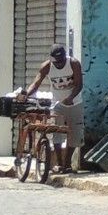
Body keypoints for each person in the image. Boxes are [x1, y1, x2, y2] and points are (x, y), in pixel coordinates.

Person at [24, 45, 85, 174]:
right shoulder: (46, 66)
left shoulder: (74, 64)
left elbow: (79, 84)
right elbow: (36, 83)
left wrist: (70, 97)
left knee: (75, 134)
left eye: (61, 61)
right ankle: (59, 163)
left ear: (65, 57)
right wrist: (26, 94)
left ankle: (67, 164)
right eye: (56, 62)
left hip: (75, 103)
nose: (59, 64)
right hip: (56, 104)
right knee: (56, 133)